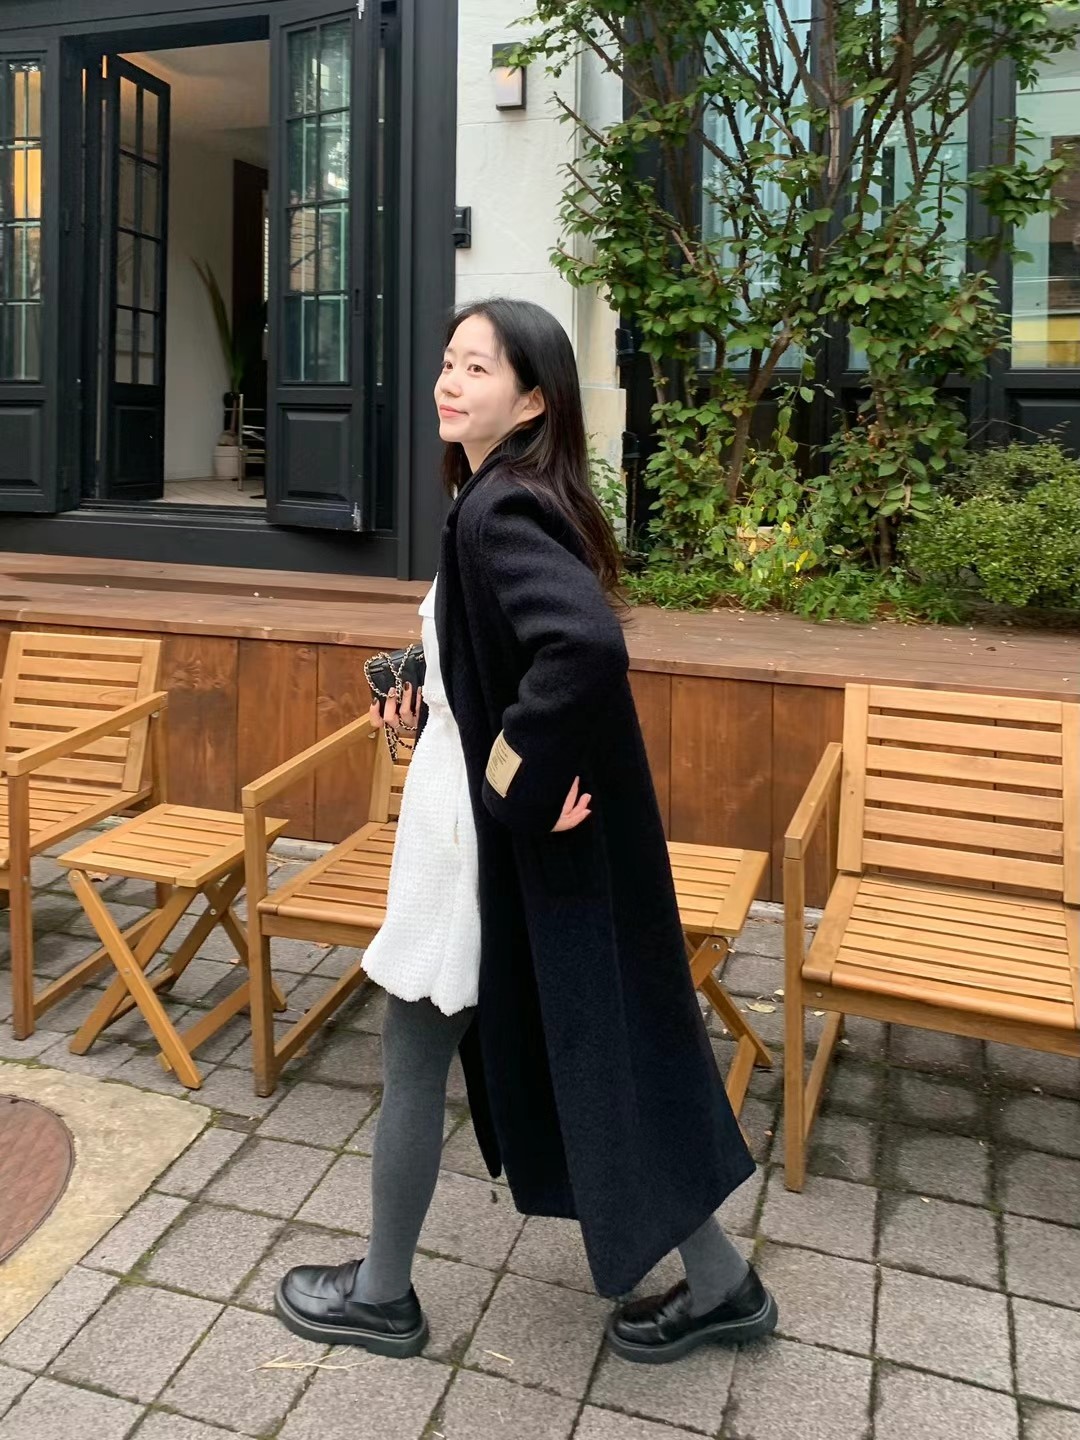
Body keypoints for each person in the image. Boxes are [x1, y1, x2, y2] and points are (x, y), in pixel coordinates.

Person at [274, 298, 778, 1364]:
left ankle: (382, 1295)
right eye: (447, 361)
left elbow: (582, 648)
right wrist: (426, 685)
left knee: (428, 1047)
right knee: (585, 1046)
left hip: (470, 844)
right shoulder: (502, 495)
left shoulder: (498, 508)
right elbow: (502, 646)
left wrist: (512, 778)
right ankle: (722, 1282)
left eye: (478, 368)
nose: (449, 381)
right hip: (480, 835)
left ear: (535, 399)